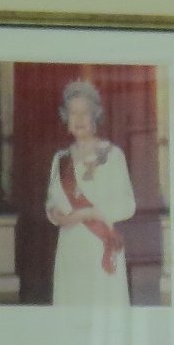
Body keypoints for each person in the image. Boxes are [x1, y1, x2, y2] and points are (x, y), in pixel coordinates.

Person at [46, 80, 135, 308]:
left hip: (100, 247)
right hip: (70, 249)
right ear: (66, 118)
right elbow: (51, 202)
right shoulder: (60, 159)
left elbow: (127, 205)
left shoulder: (112, 155)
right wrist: (54, 213)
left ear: (95, 116)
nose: (78, 119)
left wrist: (87, 213)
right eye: (72, 113)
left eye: (84, 112)